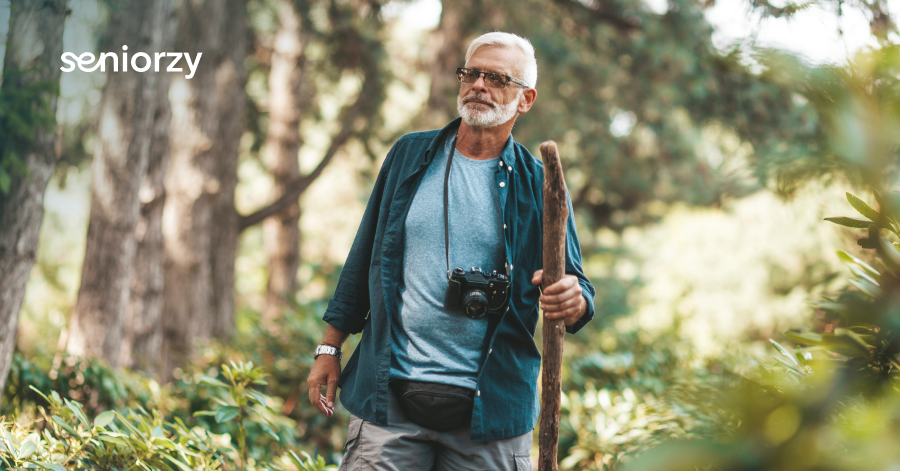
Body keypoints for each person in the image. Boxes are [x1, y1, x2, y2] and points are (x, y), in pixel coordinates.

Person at [306, 31, 596, 471]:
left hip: (492, 414)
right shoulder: (409, 155)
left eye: (497, 78)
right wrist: (329, 348)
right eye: (471, 73)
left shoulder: (539, 184)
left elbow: (578, 290)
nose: (479, 85)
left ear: (526, 99)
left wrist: (573, 298)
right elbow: (364, 256)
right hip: (390, 400)